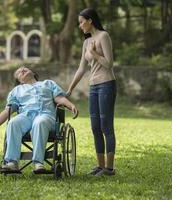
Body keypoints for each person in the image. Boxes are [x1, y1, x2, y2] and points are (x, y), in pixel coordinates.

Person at [0, 66, 78, 172]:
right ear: (19, 81)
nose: (22, 70)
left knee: (39, 122)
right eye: (19, 72)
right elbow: (8, 111)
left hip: (46, 115)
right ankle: (12, 162)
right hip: (26, 116)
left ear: (33, 73)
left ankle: (38, 162)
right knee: (13, 122)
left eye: (24, 69)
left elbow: (59, 98)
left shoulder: (48, 83)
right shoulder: (17, 90)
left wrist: (71, 106)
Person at [66, 8, 117, 176]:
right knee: (95, 127)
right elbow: (81, 68)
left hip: (106, 85)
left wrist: (94, 53)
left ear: (90, 21)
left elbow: (109, 64)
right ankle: (100, 166)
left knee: (106, 126)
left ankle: (109, 168)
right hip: (93, 87)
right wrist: (70, 88)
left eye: (81, 22)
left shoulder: (104, 36)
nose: (80, 25)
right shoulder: (86, 42)